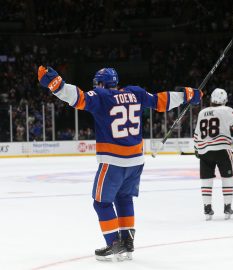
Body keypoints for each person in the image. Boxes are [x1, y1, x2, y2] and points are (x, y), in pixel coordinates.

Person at [38, 66, 202, 261]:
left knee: (101, 202)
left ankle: (113, 243)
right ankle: (128, 241)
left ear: (100, 83)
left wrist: (55, 84)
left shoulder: (100, 96)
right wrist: (186, 95)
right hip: (136, 161)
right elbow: (161, 100)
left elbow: (77, 97)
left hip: (113, 162)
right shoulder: (136, 93)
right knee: (124, 198)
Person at [194, 88, 233, 221]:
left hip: (204, 151)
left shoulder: (202, 112)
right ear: (225, 100)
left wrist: (197, 148)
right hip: (222, 150)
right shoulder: (226, 110)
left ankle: (207, 208)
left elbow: (197, 134)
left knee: (206, 180)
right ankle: (227, 206)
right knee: (227, 177)